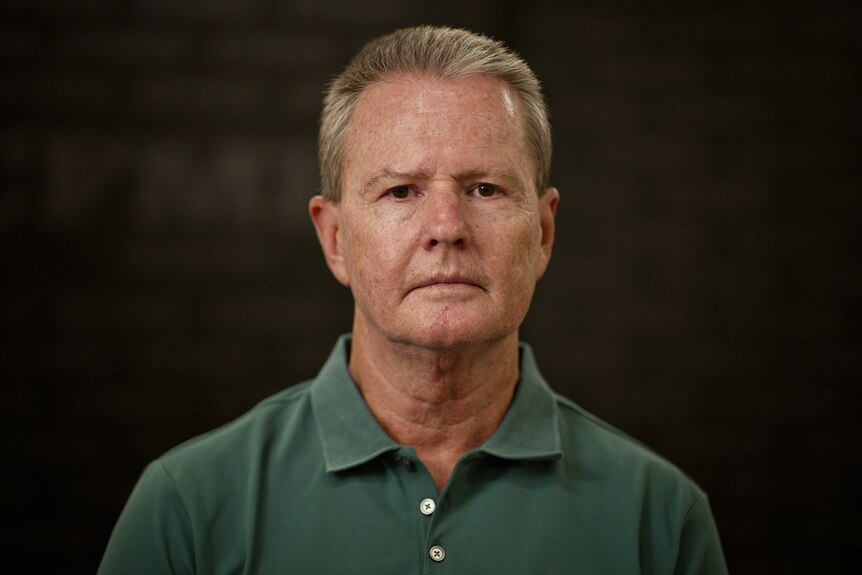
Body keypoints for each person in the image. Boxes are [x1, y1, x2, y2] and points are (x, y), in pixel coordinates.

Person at [99, 26, 728, 574]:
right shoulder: (188, 506)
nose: (447, 226)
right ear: (335, 237)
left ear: (543, 233)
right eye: (401, 191)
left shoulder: (659, 519)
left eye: (484, 188)